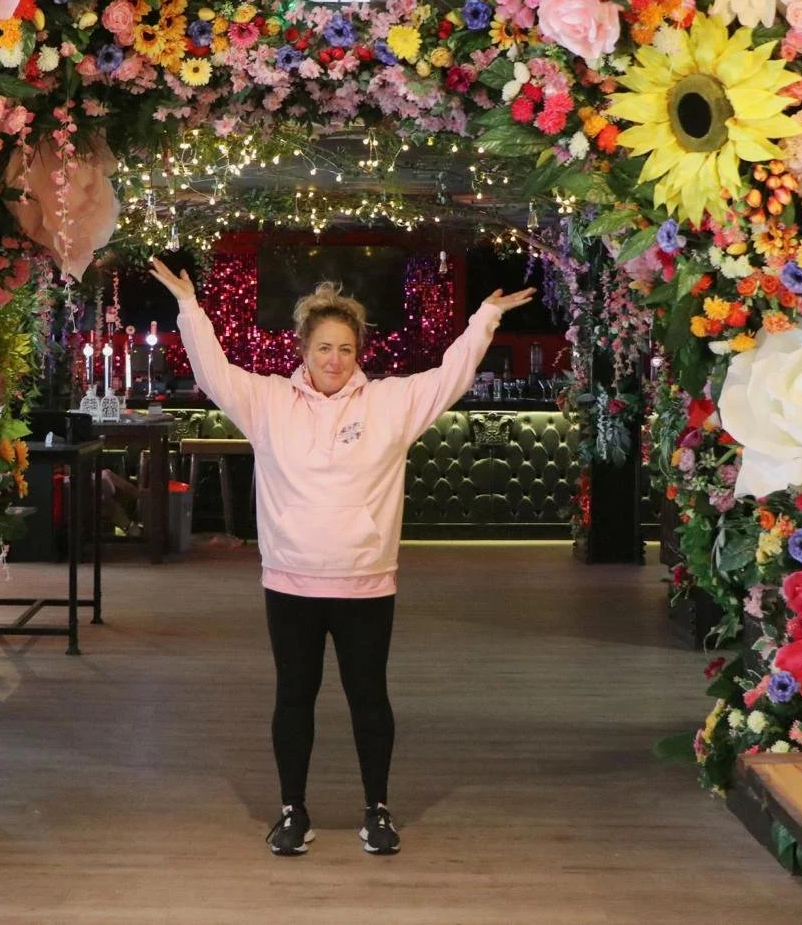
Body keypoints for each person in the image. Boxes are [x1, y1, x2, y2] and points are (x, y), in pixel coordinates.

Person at [149, 257, 535, 857]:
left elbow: (450, 376)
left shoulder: (390, 405)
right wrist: (190, 308)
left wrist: (485, 317)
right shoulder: (267, 402)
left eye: (346, 349)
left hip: (365, 583)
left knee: (368, 697)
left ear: (359, 353)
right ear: (304, 348)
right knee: (293, 697)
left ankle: (377, 810)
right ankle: (291, 811)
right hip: (290, 583)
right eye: (324, 347)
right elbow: (214, 372)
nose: (334, 359)